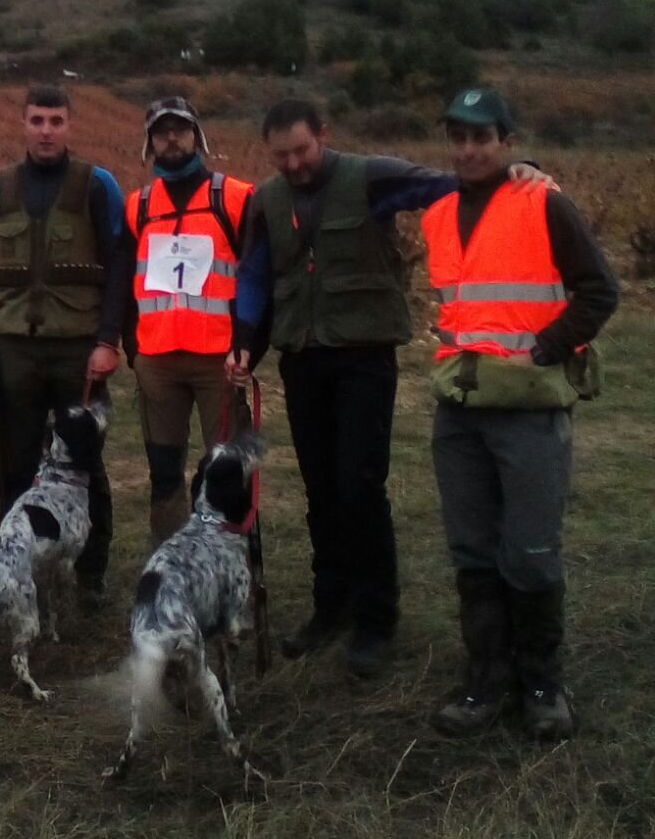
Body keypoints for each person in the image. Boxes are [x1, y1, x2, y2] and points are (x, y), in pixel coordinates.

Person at [230, 97, 552, 677]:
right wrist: (244, 343)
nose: (295, 164)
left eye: (302, 150)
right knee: (320, 491)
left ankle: (377, 621)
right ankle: (332, 607)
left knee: (360, 487)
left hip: (363, 360)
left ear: (324, 134)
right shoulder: (266, 199)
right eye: (281, 156)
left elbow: (452, 185)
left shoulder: (372, 176)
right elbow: (256, 274)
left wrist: (516, 167)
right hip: (302, 360)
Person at [419, 89, 615, 740]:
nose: (469, 148)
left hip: (529, 410)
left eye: (483, 137)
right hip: (460, 411)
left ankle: (540, 685)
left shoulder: (544, 201)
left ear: (506, 141)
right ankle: (485, 680)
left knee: (529, 552)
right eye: (459, 136)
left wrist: (547, 347)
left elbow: (599, 290)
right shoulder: (439, 214)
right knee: (473, 552)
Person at [0, 85, 127, 608]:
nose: (47, 130)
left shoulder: (96, 185)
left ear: (69, 126)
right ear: (24, 125)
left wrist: (108, 340)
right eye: (38, 120)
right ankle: (18, 562)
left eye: (56, 120)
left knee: (85, 464)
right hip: (14, 350)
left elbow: (123, 262)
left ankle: (91, 571)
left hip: (79, 349)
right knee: (15, 461)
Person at [121, 97, 254, 550]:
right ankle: (170, 562)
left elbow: (258, 278)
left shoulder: (233, 197)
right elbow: (123, 284)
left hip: (218, 361)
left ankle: (230, 557)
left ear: (197, 135)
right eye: (162, 131)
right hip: (156, 362)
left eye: (180, 129)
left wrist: (249, 345)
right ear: (149, 141)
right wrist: (132, 350)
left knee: (226, 466)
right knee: (163, 469)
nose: (172, 138)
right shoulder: (136, 206)